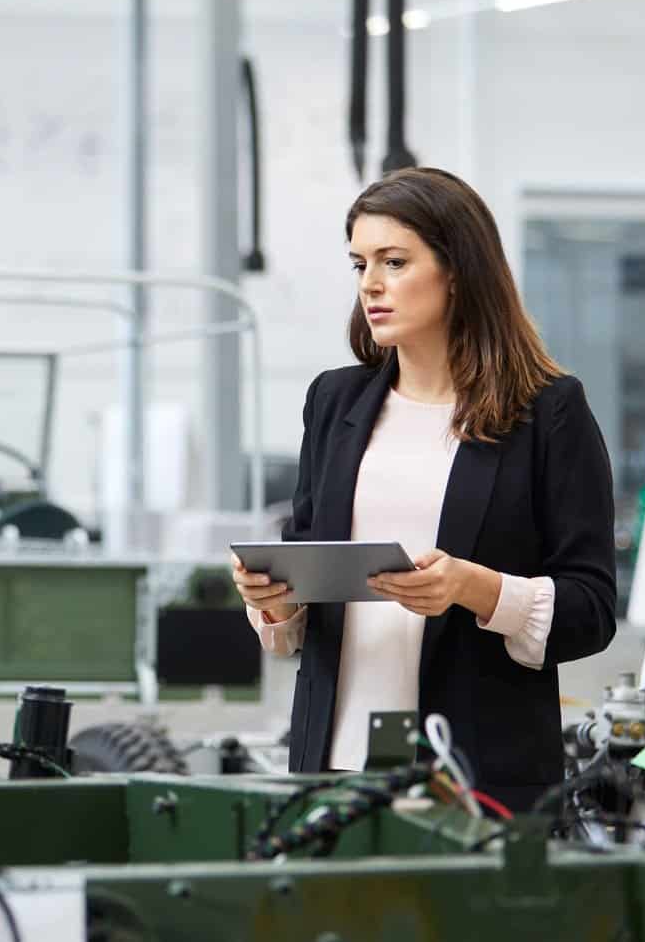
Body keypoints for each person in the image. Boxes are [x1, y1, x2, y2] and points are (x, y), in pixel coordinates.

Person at [233, 166, 618, 811]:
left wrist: (474, 588)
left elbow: (592, 608)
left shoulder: (548, 413)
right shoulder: (334, 402)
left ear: (458, 270)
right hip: (332, 770)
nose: (371, 285)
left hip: (476, 779)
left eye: (394, 261)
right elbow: (302, 604)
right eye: (360, 264)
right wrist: (273, 600)